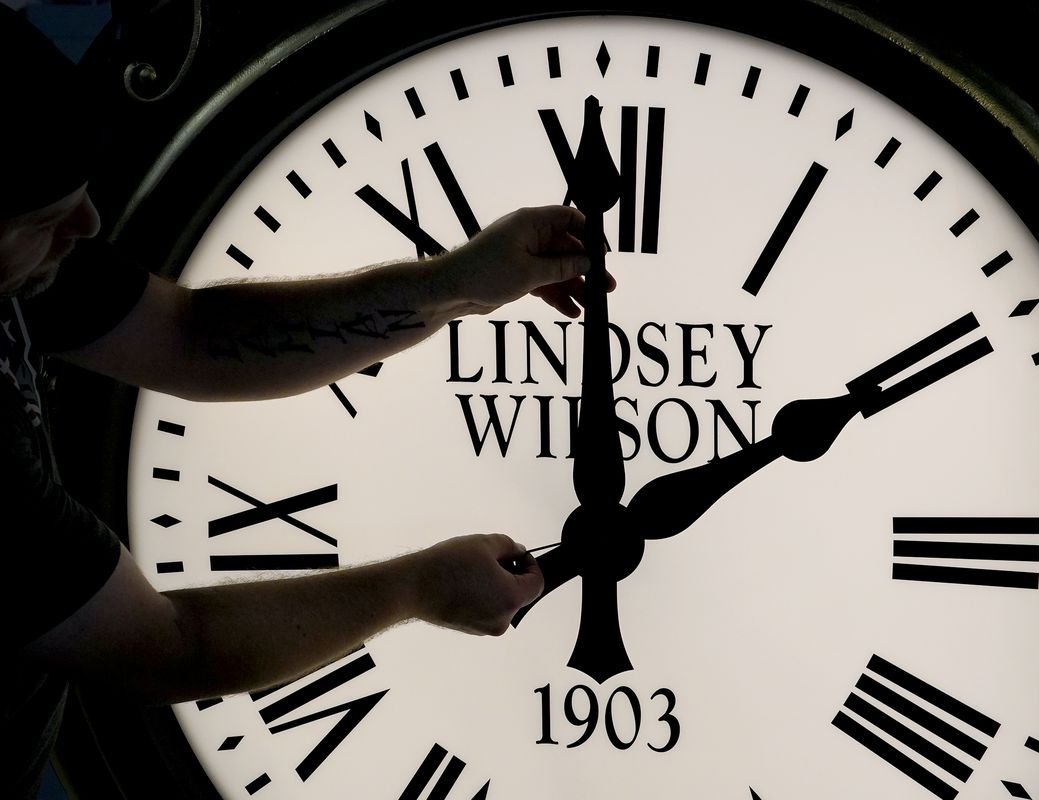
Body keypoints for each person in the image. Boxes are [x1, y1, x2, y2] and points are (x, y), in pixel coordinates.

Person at [2, 8, 601, 798]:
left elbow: (190, 335)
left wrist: (456, 285)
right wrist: (417, 587)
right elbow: (164, 648)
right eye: (47, 218)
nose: (89, 224)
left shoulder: (27, 264)